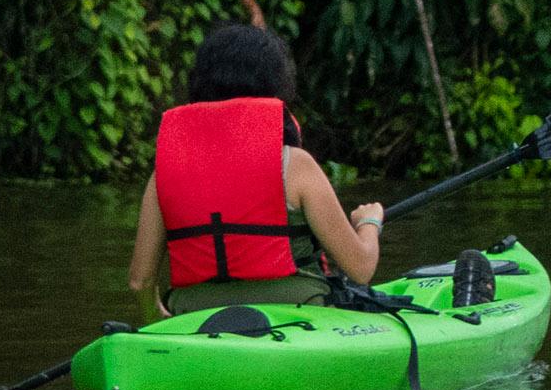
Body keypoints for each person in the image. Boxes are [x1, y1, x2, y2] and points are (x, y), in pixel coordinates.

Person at [127, 23, 386, 311]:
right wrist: (369, 223)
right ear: (274, 85)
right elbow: (361, 268)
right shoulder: (295, 165)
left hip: (194, 315)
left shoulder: (165, 174)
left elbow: (140, 282)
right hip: (298, 310)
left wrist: (158, 322)